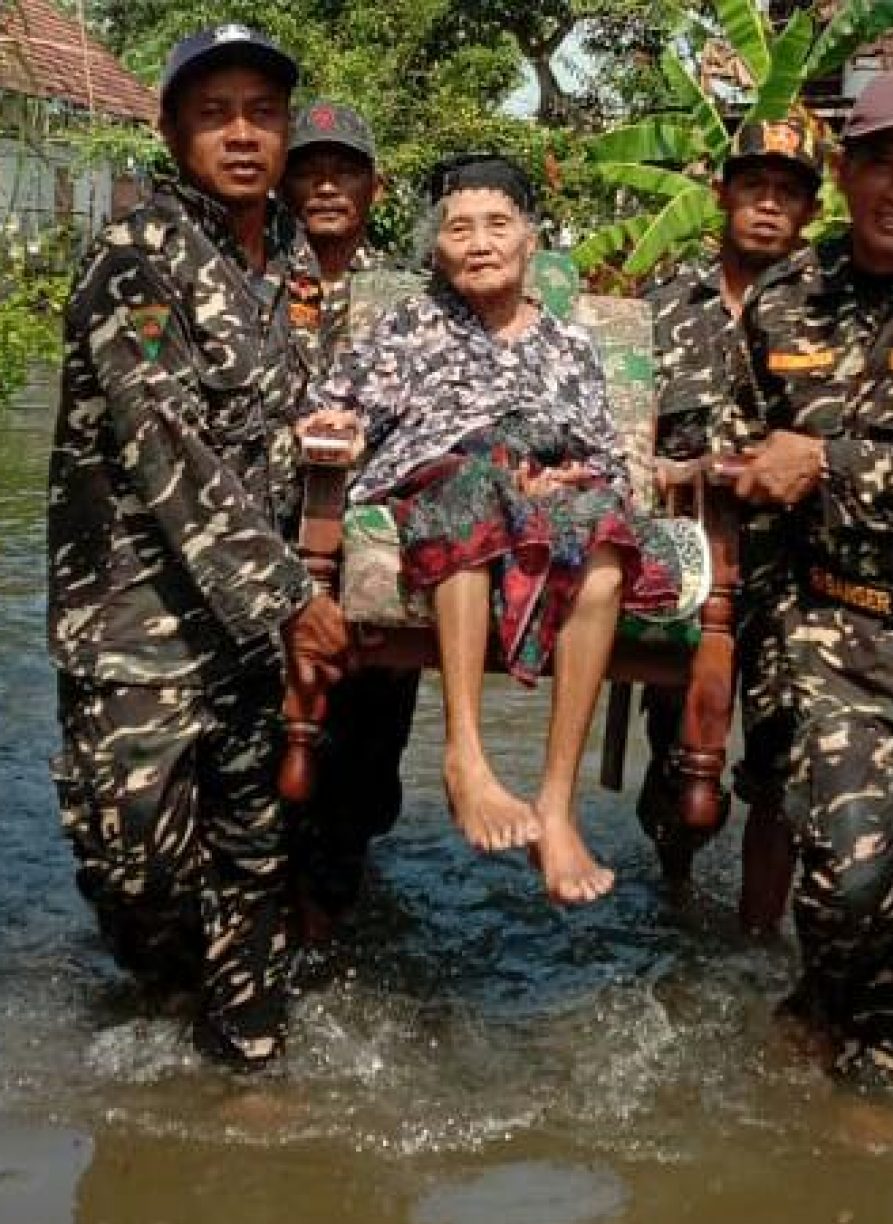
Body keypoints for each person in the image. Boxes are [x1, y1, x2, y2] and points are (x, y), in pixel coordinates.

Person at [48, 25, 347, 1070]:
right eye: (214, 114)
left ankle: (245, 1054)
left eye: (260, 114)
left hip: (248, 636)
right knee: (135, 862)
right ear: (172, 131)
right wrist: (290, 597)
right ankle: (172, 994)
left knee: (252, 846)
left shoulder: (292, 271)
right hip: (137, 621)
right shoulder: (137, 259)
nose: (240, 135)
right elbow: (162, 441)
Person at [302, 154, 682, 904]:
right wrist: (335, 427)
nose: (478, 242)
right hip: (444, 480)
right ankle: (466, 759)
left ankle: (556, 802)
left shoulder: (570, 344)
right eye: (458, 228)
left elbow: (605, 453)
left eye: (497, 225)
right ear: (436, 248)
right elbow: (335, 399)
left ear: (530, 240)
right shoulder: (412, 325)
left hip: (545, 492)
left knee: (607, 543)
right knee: (472, 488)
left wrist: (572, 477)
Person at [731, 66, 893, 1080]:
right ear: (842, 173)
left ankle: (876, 1127)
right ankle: (818, 1001)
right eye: (879, 165)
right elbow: (746, 457)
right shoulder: (787, 296)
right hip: (831, 642)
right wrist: (733, 657)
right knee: (844, 885)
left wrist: (829, 465)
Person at [640, 117, 822, 932]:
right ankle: (673, 898)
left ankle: (754, 937)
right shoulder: (663, 305)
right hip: (681, 569)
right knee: (678, 764)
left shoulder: (832, 310)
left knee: (784, 764)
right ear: (723, 195)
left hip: (798, 571)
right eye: (755, 185)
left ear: (810, 210)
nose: (769, 204)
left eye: (788, 191)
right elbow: (626, 426)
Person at [280, 102, 420, 945]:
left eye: (346, 171)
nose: (327, 186)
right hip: (266, 556)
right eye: (310, 169)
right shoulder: (250, 277)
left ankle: (332, 918)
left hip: (375, 557)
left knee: (364, 766)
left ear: (375, 186)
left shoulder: (410, 300)